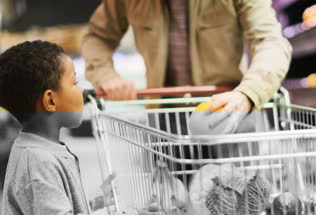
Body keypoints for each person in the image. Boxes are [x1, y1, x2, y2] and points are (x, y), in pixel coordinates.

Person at [81, 0, 292, 117]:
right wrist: (106, 75)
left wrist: (249, 93)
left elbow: (270, 41)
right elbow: (98, 37)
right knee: (170, 195)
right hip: (164, 122)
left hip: (227, 114)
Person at [0, 40, 89, 214]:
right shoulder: (40, 163)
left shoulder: (43, 152)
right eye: (75, 82)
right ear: (50, 101)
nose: (82, 91)